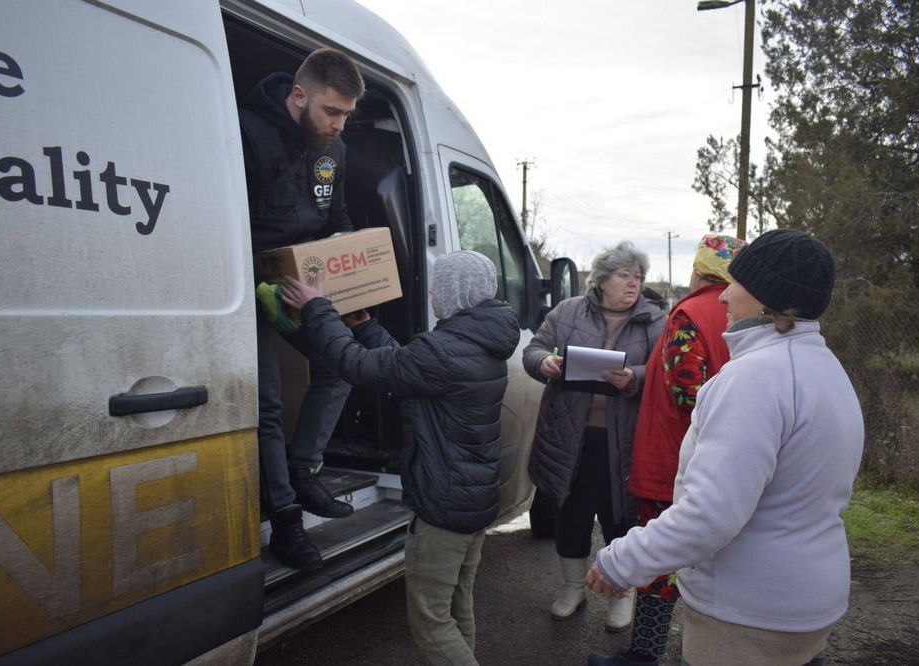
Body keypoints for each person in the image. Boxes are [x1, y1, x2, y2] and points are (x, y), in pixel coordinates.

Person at [586, 229, 865, 666]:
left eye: (736, 283)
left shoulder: (755, 378)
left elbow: (710, 515)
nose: (723, 296)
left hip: (749, 612)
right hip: (809, 600)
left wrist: (621, 560)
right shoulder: (826, 367)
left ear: (766, 298)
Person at [280, 250, 519, 666]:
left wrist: (318, 309)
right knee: (456, 607)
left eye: (436, 285)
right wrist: (367, 326)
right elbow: (405, 366)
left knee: (430, 624)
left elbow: (357, 366)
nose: (429, 292)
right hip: (471, 503)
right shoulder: (480, 343)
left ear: (450, 292)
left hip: (442, 509)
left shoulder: (444, 351)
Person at [587, 234, 746, 666]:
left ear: (700, 270)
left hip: (673, 463)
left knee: (662, 565)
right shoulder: (751, 318)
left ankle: (644, 656)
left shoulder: (690, 313)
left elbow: (690, 395)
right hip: (724, 464)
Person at [241, 48, 365, 570]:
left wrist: (354, 273)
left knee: (342, 362)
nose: (338, 126)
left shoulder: (332, 154)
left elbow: (334, 219)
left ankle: (303, 470)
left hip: (297, 282)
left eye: (345, 115)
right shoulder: (246, 132)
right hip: (244, 287)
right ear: (298, 95)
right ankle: (287, 524)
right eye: (330, 112)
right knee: (267, 404)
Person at [522, 241, 666, 633]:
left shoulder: (656, 321)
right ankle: (573, 588)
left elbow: (662, 372)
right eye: (624, 275)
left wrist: (633, 377)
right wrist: (545, 363)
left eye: (637, 276)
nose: (633, 283)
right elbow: (533, 349)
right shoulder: (568, 311)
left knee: (622, 521)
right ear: (602, 281)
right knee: (572, 517)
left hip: (626, 441)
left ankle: (622, 595)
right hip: (572, 439)